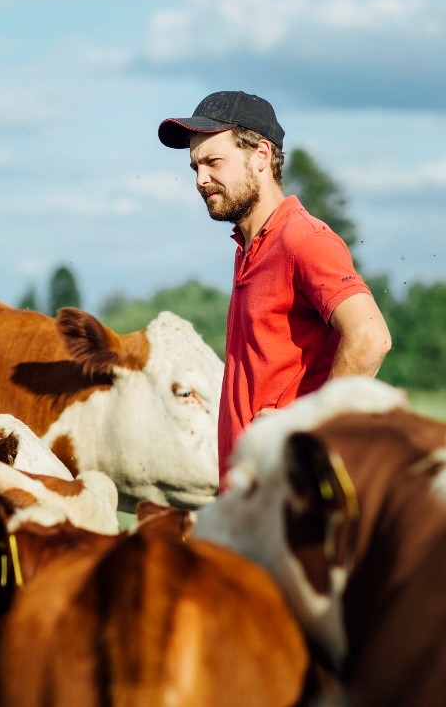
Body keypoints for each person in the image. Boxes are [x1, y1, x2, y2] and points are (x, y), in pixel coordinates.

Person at [158, 90, 392, 477]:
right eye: (195, 167)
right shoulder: (247, 248)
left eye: (214, 162)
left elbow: (370, 336)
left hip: (290, 501)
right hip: (251, 501)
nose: (201, 180)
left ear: (261, 156)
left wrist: (310, 427)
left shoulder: (303, 239)